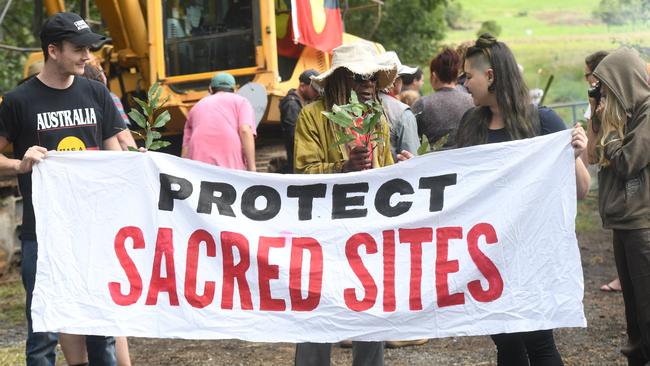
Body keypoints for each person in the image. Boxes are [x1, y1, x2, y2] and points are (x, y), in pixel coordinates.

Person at [455, 33, 590, 366]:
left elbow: (582, 190)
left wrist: (576, 154)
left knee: (539, 341)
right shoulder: (471, 124)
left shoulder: (543, 122)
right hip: (488, 254)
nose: (463, 83)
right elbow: (453, 178)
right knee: (505, 342)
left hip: (533, 253)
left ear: (489, 76)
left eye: (467, 76)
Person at [0, 12, 126, 366]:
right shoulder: (19, 100)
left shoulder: (97, 93)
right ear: (53, 50)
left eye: (89, 48)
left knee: (100, 329)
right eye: (79, 49)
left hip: (92, 231)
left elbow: (114, 159)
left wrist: (135, 165)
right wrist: (18, 163)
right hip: (42, 235)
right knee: (43, 333)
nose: (87, 56)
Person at [293, 41, 394, 366]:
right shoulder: (311, 117)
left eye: (372, 78)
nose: (368, 85)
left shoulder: (376, 119)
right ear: (339, 79)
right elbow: (303, 172)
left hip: (368, 229)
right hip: (324, 230)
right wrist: (343, 167)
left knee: (370, 307)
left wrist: (406, 168)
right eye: (359, 77)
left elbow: (387, 172)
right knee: (317, 308)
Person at [590, 47, 650, 366]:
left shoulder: (648, 111)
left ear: (623, 82)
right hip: (625, 224)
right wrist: (601, 122)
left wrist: (611, 137)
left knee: (647, 310)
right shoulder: (627, 114)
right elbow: (593, 155)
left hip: (643, 226)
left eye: (606, 86)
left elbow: (628, 163)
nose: (602, 94)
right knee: (634, 315)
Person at [582, 50, 623, 293]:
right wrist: (594, 116)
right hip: (612, 182)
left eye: (589, 75)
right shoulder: (597, 103)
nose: (587, 81)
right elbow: (592, 154)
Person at [182, 72, 256, 171]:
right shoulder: (241, 101)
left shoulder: (196, 107)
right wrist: (252, 168)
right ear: (235, 90)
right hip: (229, 161)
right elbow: (245, 131)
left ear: (210, 89)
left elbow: (186, 148)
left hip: (198, 164)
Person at [412, 48, 474, 148]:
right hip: (467, 160)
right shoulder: (472, 101)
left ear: (434, 75)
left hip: (432, 161)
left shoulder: (423, 104)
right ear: (456, 74)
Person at [83, 63, 138, 152]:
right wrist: (136, 157)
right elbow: (122, 136)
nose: (105, 76)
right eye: (101, 72)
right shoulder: (109, 97)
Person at [377, 51, 420, 159]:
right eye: (402, 78)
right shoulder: (402, 113)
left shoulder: (356, 104)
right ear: (395, 81)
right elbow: (412, 156)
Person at [279, 69, 320, 173]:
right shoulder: (291, 105)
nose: (317, 92)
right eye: (314, 89)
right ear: (302, 86)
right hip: (297, 159)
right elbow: (293, 136)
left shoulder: (302, 103)